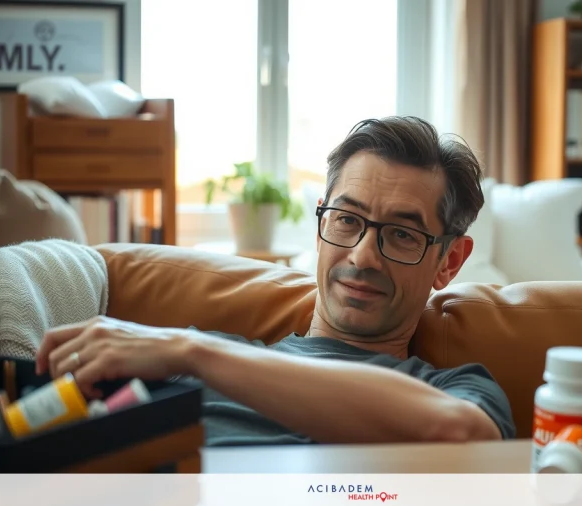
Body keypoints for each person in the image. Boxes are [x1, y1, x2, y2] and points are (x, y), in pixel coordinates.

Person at [35, 116, 516, 445]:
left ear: (449, 262)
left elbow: (458, 433)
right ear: (321, 225)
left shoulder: (459, 390)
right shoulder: (190, 366)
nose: (363, 255)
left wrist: (192, 352)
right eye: (347, 220)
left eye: (402, 235)